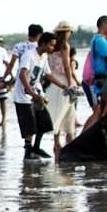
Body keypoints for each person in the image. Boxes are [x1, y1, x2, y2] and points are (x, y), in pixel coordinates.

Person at [13, 32, 67, 160]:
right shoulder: (29, 55)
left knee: (44, 122)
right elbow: (22, 74)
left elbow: (47, 74)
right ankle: (28, 152)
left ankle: (36, 147)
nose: (52, 48)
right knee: (29, 127)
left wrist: (63, 86)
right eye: (51, 45)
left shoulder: (43, 57)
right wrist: (31, 93)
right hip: (23, 96)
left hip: (36, 94)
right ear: (43, 43)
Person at [47, 22, 76, 155]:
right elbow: (67, 66)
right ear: (66, 32)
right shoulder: (65, 46)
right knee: (67, 113)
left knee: (56, 112)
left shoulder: (51, 46)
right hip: (63, 80)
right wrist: (71, 84)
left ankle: (56, 143)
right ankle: (69, 141)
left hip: (52, 81)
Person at [84, 15, 107, 130]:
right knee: (103, 109)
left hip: (100, 78)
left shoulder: (97, 40)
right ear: (104, 25)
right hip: (103, 78)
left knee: (102, 109)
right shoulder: (99, 40)